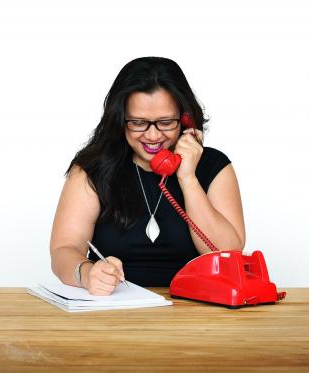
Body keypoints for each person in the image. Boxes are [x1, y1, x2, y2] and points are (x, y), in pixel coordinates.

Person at [50, 57, 245, 295]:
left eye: (165, 122)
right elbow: (64, 248)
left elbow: (227, 254)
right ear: (120, 120)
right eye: (138, 122)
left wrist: (188, 179)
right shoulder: (91, 170)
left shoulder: (214, 166)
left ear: (185, 120)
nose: (152, 136)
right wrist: (88, 273)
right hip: (114, 308)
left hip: (199, 309)